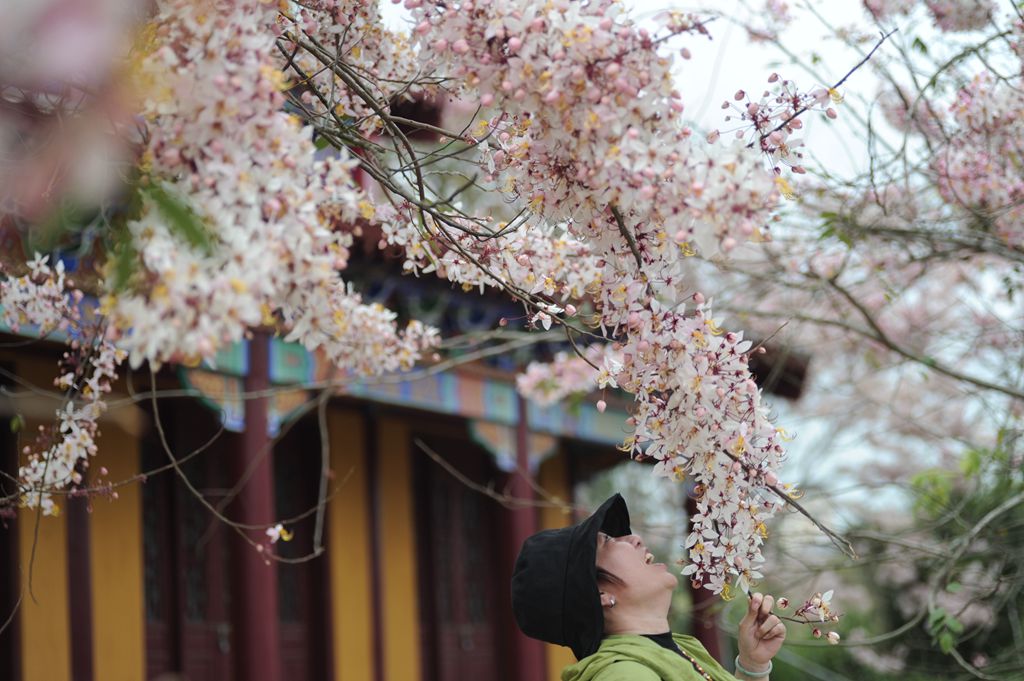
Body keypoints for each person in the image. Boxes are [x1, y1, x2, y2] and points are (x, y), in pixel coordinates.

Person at [511, 494, 786, 680]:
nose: (634, 539)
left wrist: (752, 666)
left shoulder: (678, 649)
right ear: (600, 594)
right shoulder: (626, 675)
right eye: (607, 542)